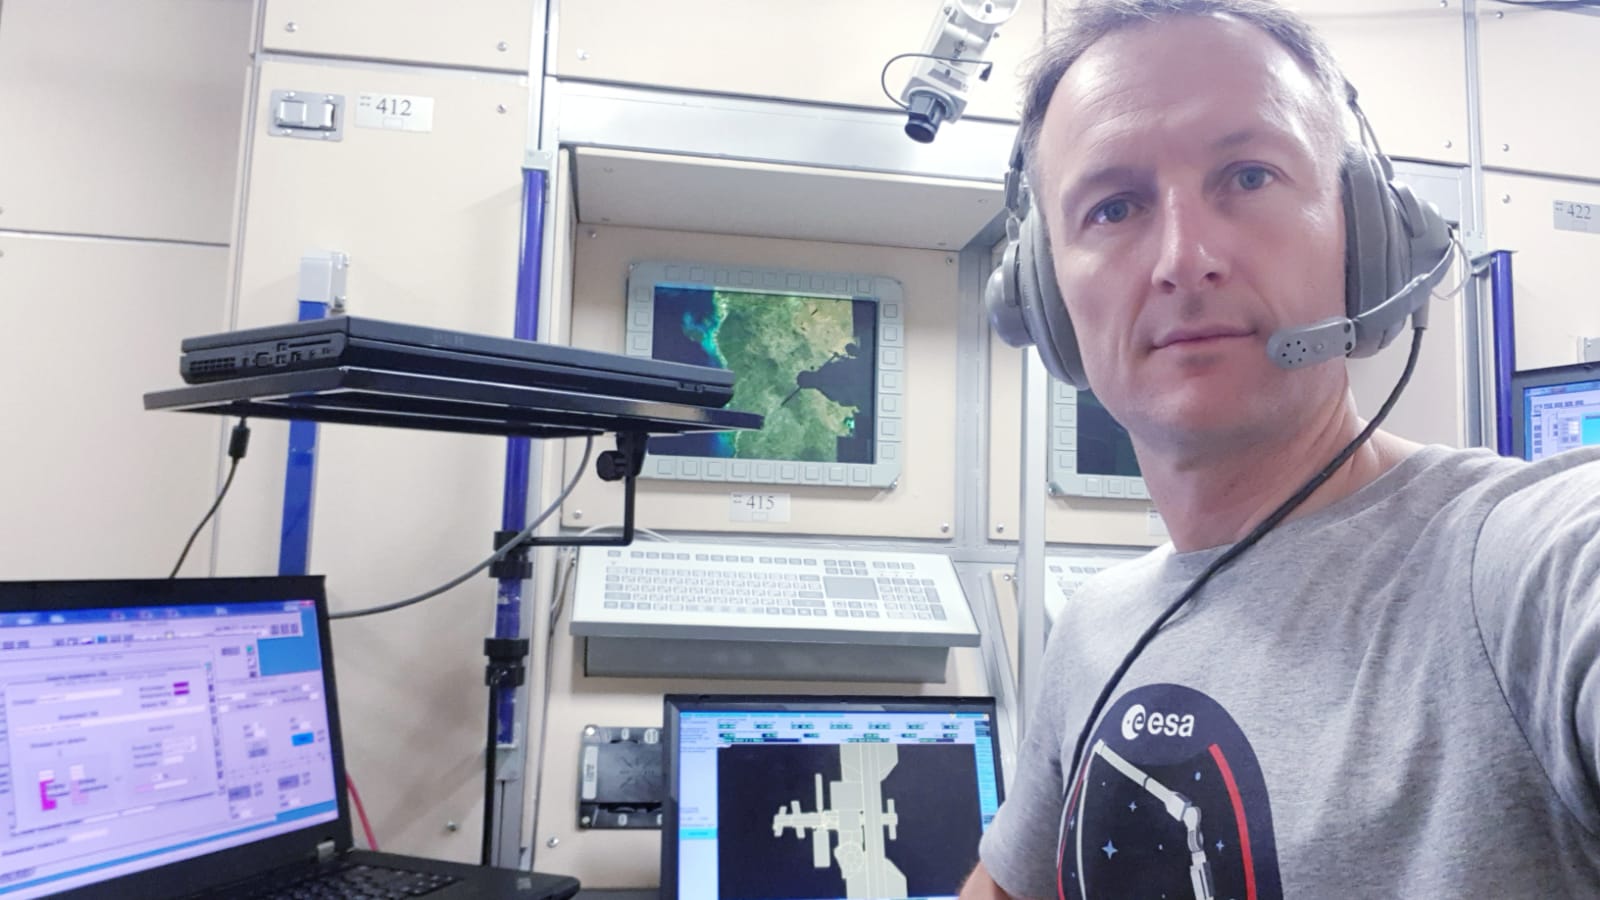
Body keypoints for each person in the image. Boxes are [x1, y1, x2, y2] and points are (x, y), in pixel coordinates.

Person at [962, 1, 1600, 897]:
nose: (1184, 257)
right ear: (1046, 298)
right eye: (1114, 207)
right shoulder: (1096, 629)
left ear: (1362, 232)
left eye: (1249, 176)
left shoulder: (1522, 572)